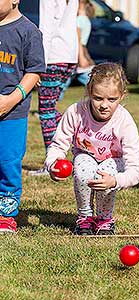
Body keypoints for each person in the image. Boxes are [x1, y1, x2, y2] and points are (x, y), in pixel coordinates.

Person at [45, 62, 139, 235]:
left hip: (113, 162)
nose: (104, 105)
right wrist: (53, 163)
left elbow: (136, 169)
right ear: (89, 92)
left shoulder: (124, 122)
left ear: (122, 96)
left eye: (112, 99)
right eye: (98, 98)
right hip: (86, 156)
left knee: (105, 171)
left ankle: (104, 219)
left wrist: (115, 181)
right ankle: (85, 217)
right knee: (83, 166)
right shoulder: (76, 112)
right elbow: (58, 144)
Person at [0, 0, 45, 232]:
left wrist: (10, 99)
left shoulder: (29, 31)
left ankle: (5, 214)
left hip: (12, 112)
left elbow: (34, 72)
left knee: (7, 162)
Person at [29, 0, 79, 176]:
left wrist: (38, 63)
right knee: (52, 110)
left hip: (52, 58)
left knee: (46, 112)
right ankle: (78, 134)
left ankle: (52, 162)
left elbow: (46, 28)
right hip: (69, 57)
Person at [58, 0, 95, 101]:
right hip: (80, 53)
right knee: (63, 83)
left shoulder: (77, 21)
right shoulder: (86, 20)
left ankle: (50, 106)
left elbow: (78, 40)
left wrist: (81, 57)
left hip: (77, 54)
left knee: (93, 82)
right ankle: (51, 106)